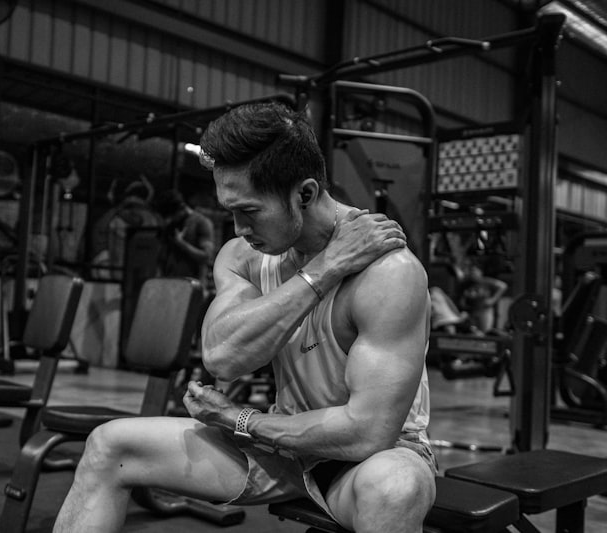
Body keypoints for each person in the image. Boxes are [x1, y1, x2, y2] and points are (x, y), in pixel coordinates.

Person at [53, 101, 436, 533]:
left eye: (249, 211)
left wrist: (240, 420)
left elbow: (368, 432)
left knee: (395, 487)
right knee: (109, 445)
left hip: (364, 460)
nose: (237, 229)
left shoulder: (389, 273)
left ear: (305, 194)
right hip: (281, 447)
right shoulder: (245, 256)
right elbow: (222, 358)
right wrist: (323, 270)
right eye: (230, 211)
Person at [155, 189, 216, 289]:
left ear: (182, 208)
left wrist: (181, 244)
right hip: (169, 285)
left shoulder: (201, 223)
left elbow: (206, 256)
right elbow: (161, 258)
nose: (170, 220)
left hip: (192, 287)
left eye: (172, 216)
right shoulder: (171, 226)